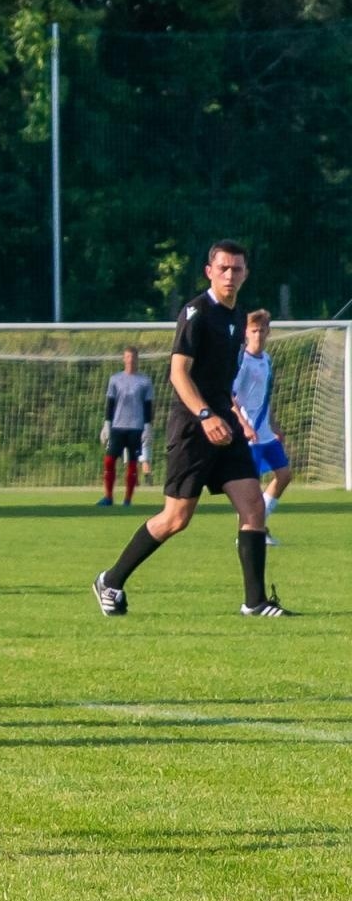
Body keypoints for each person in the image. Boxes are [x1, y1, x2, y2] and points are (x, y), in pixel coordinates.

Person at [93, 241, 293, 618]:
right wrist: (205, 416)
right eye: (223, 269)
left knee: (253, 507)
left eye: (237, 269)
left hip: (225, 426)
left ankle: (255, 602)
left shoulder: (237, 318)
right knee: (176, 518)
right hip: (193, 427)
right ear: (209, 272)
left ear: (246, 274)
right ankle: (111, 580)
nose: (230, 275)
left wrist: (230, 416)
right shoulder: (196, 313)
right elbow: (178, 373)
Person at [233, 309, 290, 545]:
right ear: (246, 333)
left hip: (266, 433)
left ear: (268, 332)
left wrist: (275, 424)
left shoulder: (267, 360)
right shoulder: (242, 362)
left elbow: (266, 396)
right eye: (254, 330)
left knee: (285, 475)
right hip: (250, 436)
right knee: (250, 489)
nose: (258, 335)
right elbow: (232, 398)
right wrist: (244, 425)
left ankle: (258, 526)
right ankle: (246, 536)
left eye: (262, 330)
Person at [98, 347, 154, 506]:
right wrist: (107, 424)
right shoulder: (115, 379)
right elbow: (110, 402)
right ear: (124, 359)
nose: (130, 360)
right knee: (109, 460)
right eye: (128, 357)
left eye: (133, 357)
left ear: (137, 359)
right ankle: (108, 497)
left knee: (132, 463)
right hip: (117, 427)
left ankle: (128, 500)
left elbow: (148, 405)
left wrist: (148, 426)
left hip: (136, 428)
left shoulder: (145, 381)